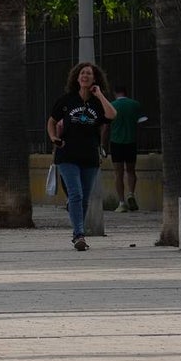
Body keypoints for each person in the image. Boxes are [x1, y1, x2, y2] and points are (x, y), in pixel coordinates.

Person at [47, 61, 116, 252]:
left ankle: (77, 228)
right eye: (82, 73)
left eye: (89, 74)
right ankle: (79, 234)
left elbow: (112, 115)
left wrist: (99, 94)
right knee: (76, 194)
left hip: (90, 157)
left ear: (95, 79)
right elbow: (51, 121)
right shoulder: (66, 100)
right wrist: (53, 137)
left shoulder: (97, 103)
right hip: (67, 154)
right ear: (77, 78)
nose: (85, 76)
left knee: (83, 198)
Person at [105, 83, 146, 212]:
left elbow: (106, 127)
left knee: (118, 173)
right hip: (131, 142)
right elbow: (141, 124)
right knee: (131, 171)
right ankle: (131, 194)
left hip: (116, 142)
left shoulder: (111, 106)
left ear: (114, 93)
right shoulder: (135, 105)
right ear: (125, 92)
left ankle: (121, 203)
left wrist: (102, 143)